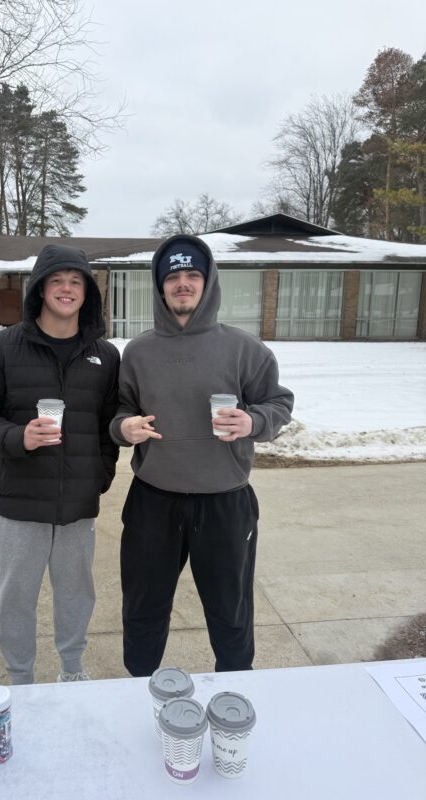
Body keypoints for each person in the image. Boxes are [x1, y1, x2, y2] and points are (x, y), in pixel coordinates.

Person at [110, 233, 294, 677]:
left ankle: (235, 692)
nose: (183, 284)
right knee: (143, 608)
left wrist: (253, 422)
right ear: (159, 286)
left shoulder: (244, 349)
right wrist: (123, 427)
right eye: (173, 276)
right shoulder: (138, 352)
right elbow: (120, 410)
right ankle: (139, 689)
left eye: (193, 274)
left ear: (208, 282)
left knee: (230, 611)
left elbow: (278, 403)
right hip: (154, 500)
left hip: (225, 500)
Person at [0, 244, 120, 685]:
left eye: (76, 281)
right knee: (16, 598)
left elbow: (110, 425)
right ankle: (21, 678)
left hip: (76, 508)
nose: (67, 289)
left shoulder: (105, 356)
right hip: (19, 505)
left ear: (87, 293)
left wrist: (99, 477)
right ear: (40, 290)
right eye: (57, 280)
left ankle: (72, 669)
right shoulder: (3, 348)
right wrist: (17, 437)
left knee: (76, 594)